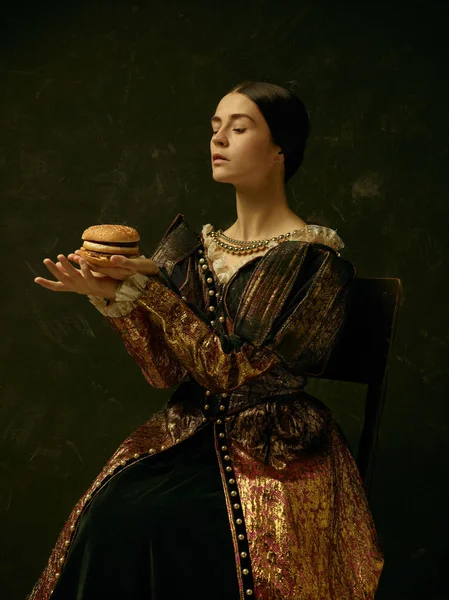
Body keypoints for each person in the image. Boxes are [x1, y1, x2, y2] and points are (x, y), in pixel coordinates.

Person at [29, 81, 384, 599]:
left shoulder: (312, 261)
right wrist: (113, 299)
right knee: (112, 510)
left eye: (239, 129)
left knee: (172, 521)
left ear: (280, 149)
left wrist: (152, 289)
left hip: (275, 446)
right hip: (190, 432)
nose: (218, 140)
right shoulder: (195, 252)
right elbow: (165, 373)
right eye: (214, 128)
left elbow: (230, 371)